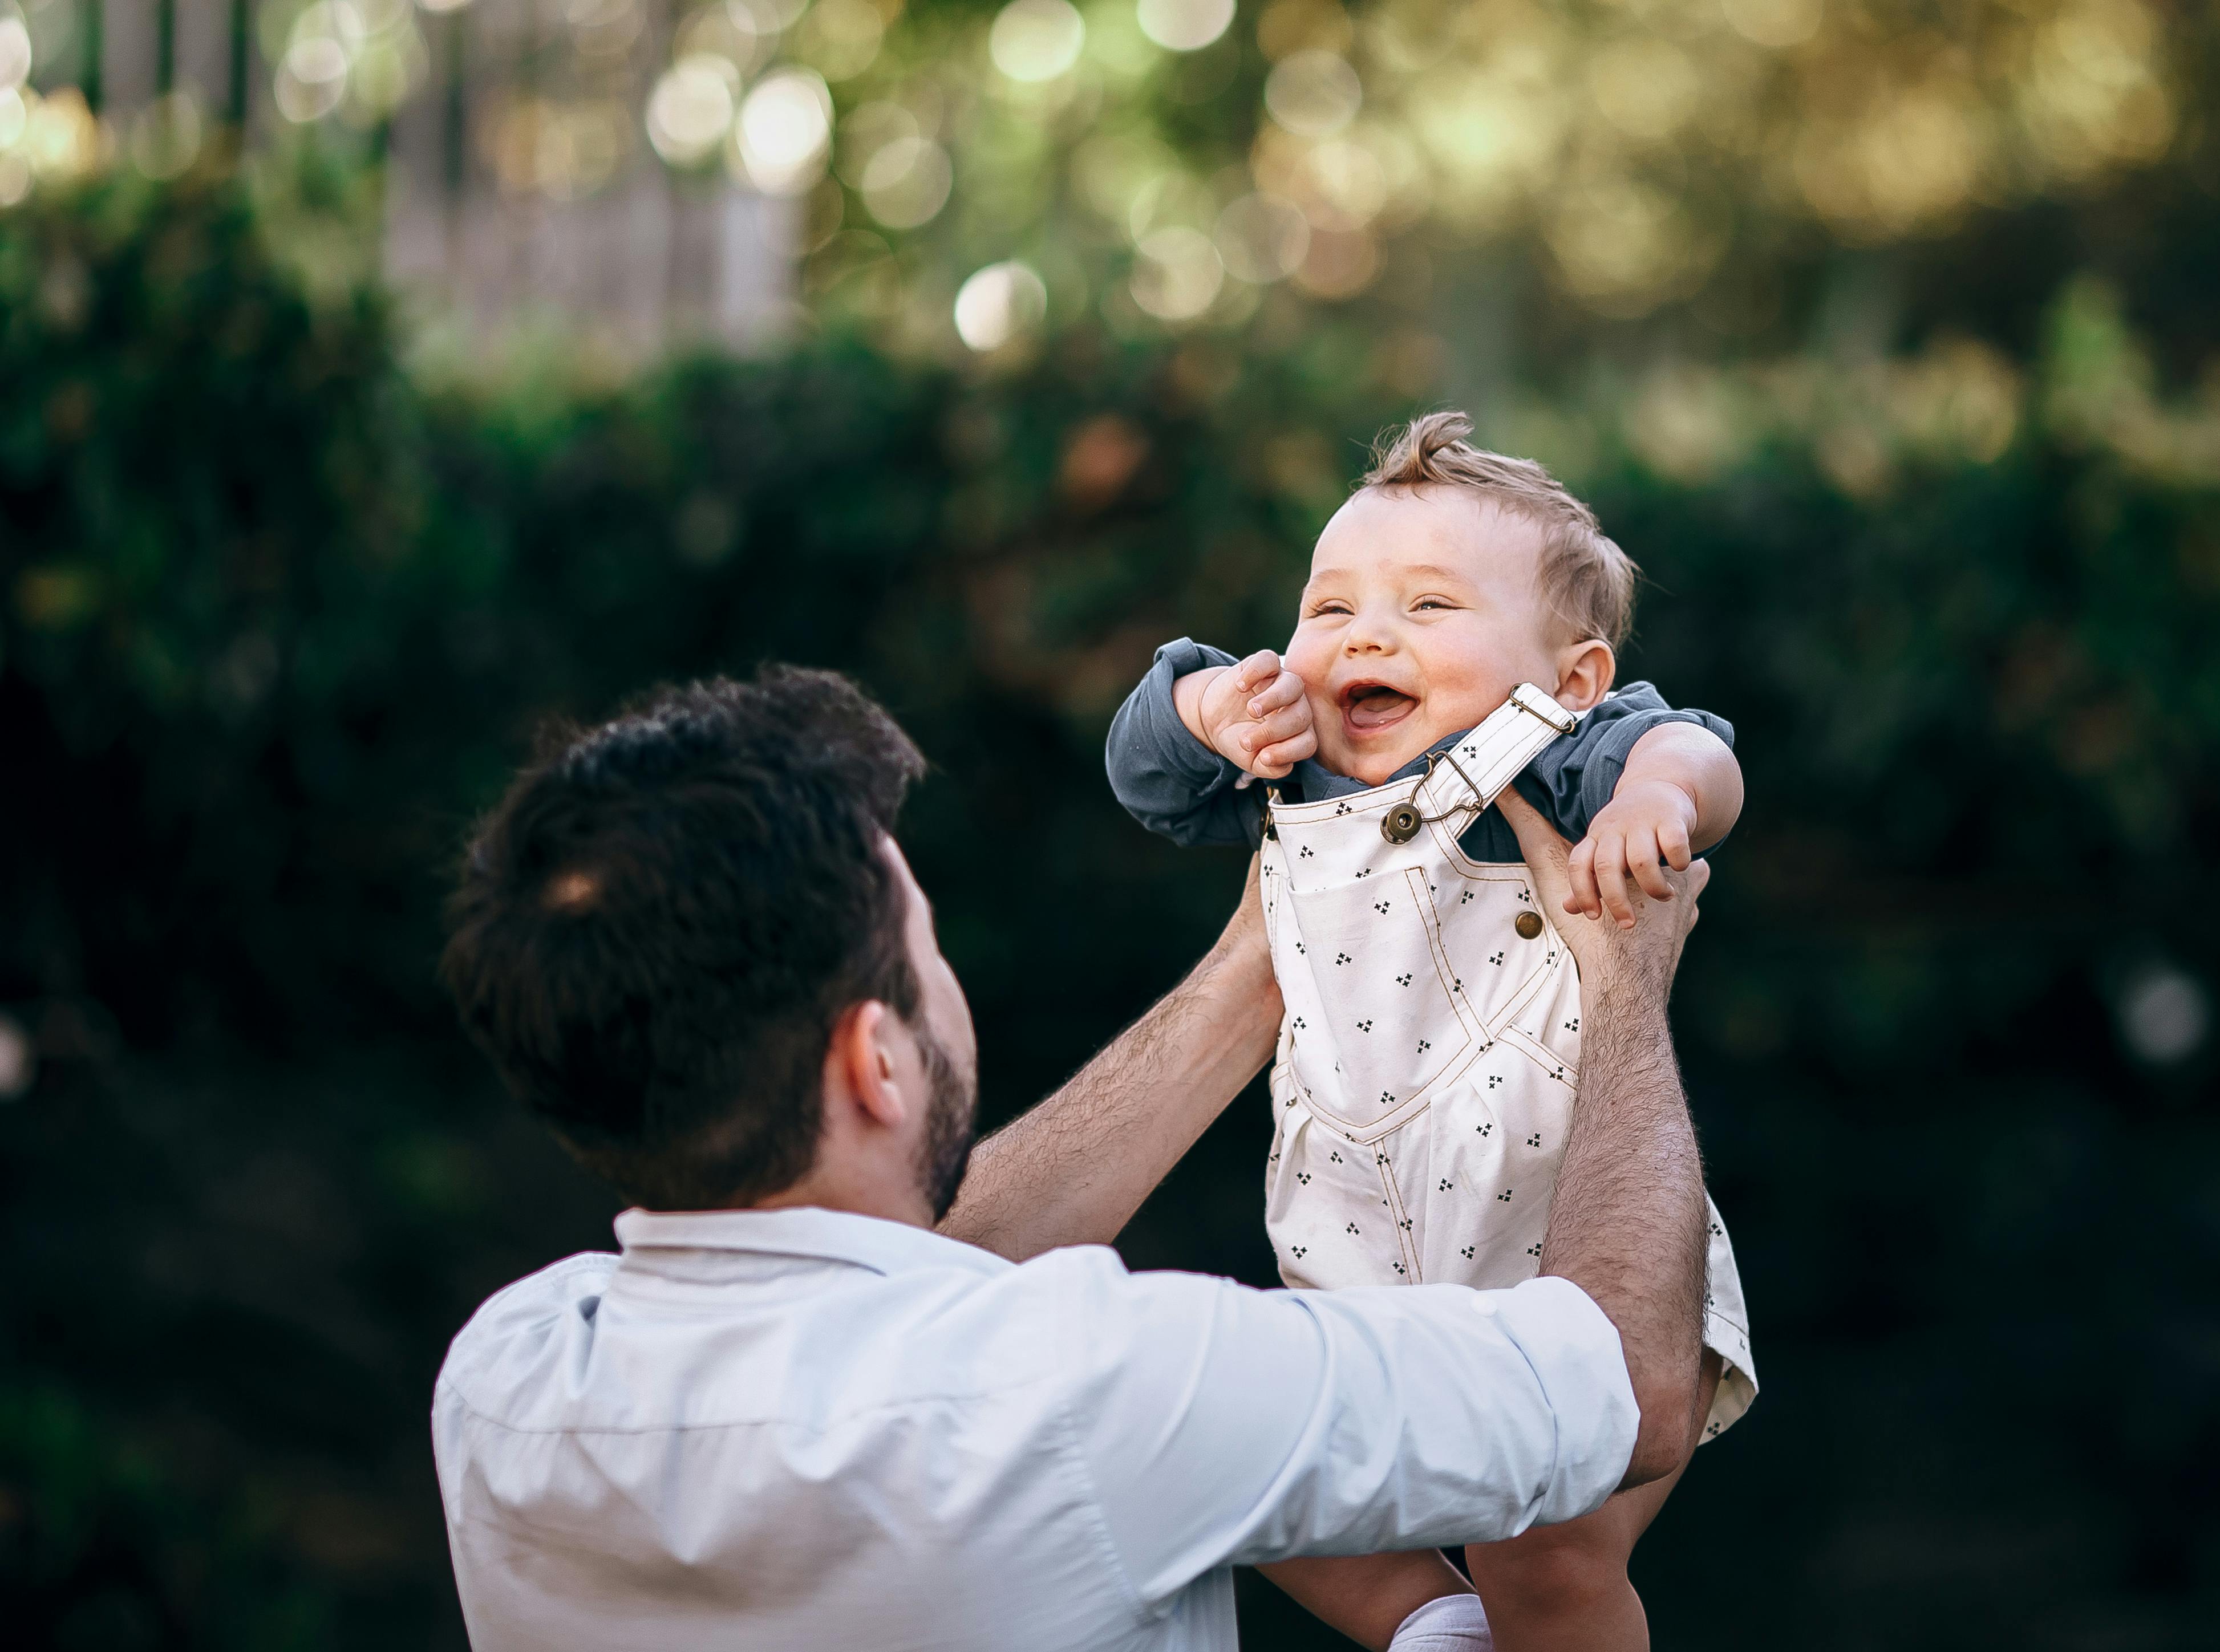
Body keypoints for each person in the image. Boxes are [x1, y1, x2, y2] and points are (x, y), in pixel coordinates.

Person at [431, 664, 1720, 1652]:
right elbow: (1627, 1386)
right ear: (876, 1062)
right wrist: (1623, 985)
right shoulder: (1096, 1387)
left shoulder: (502, 1384)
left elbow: (882, 1282)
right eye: (925, 946)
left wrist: (1269, 956)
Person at [1103, 411, 1757, 1651]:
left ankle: (1510, 1620)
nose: (1363, 634)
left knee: (1543, 1539)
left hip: (1559, 1256)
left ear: (1567, 680)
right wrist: (1203, 707)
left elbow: (1697, 749)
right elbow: (1141, 771)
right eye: (1330, 605)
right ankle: (1431, 1630)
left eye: (1427, 609)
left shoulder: (1553, 765)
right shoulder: (1292, 769)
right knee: (1246, 1472)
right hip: (1359, 1263)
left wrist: (1659, 798)